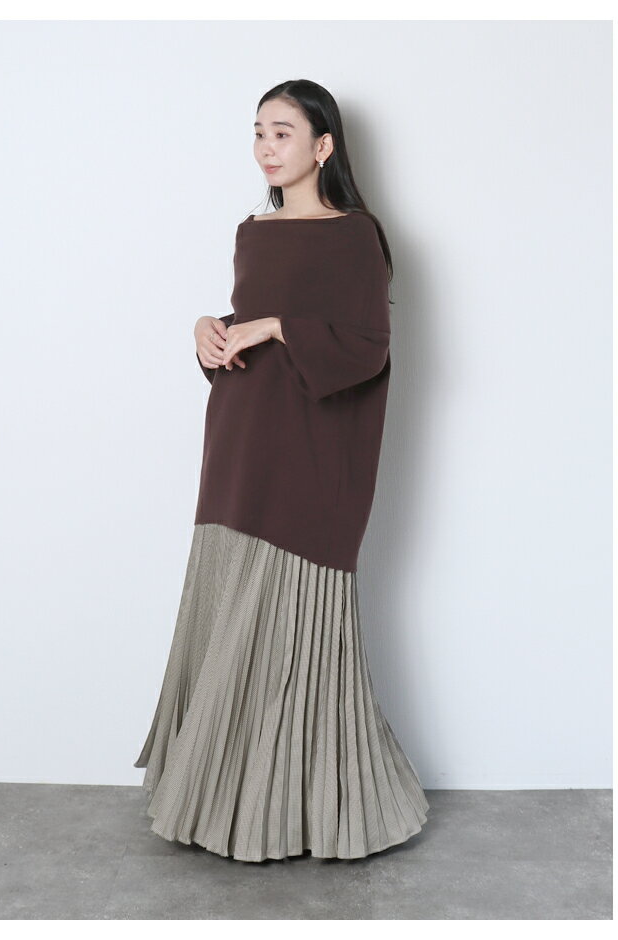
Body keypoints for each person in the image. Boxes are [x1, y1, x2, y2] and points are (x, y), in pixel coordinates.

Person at [133, 79, 429, 862]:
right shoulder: (252, 232)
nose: (266, 147)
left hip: (313, 453)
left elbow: (366, 347)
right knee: (229, 611)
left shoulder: (356, 236)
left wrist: (273, 326)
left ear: (323, 146)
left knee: (292, 620)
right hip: (240, 438)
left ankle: (301, 810)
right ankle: (219, 796)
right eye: (259, 132)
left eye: (283, 132)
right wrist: (210, 328)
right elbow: (250, 325)